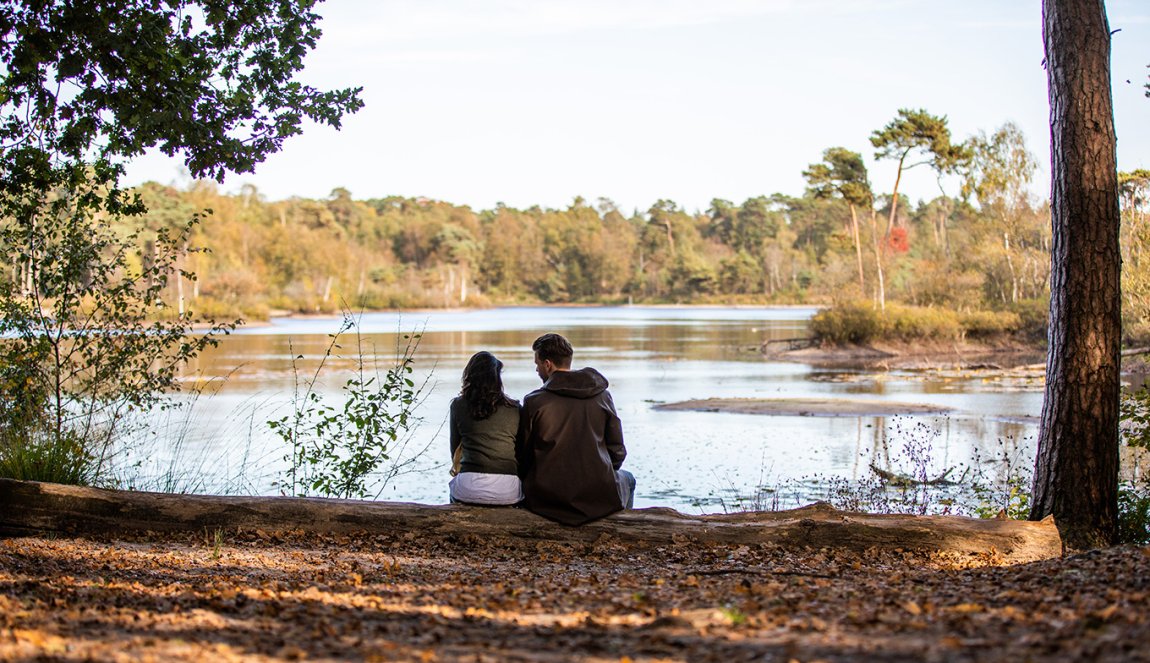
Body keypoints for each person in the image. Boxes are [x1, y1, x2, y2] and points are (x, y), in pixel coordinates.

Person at [517, 332, 636, 525]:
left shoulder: (535, 402)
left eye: (537, 364)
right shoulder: (602, 396)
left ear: (548, 365)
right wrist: (600, 474)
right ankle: (620, 529)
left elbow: (524, 455)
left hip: (548, 498)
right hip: (597, 493)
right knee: (628, 479)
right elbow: (617, 450)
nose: (537, 370)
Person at [448, 351, 523, 505]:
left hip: (469, 486)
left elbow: (454, 450)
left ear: (469, 376)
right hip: (507, 488)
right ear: (497, 378)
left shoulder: (458, 405)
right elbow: (520, 451)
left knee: (456, 488)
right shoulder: (515, 407)